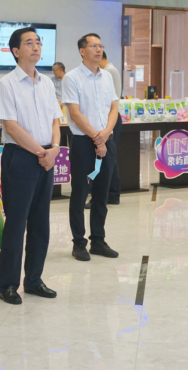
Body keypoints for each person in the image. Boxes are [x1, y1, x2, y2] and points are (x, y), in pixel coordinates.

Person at [0, 27, 63, 305]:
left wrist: (54, 149)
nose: (35, 47)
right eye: (29, 43)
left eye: (38, 42)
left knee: (40, 222)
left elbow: (56, 120)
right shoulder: (6, 84)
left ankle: (34, 280)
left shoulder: (47, 83)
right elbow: (11, 126)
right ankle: (8, 284)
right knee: (16, 223)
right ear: (15, 51)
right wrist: (40, 152)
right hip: (21, 157)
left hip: (46, 155)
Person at [63, 33, 119, 262]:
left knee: (102, 193)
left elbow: (114, 108)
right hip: (83, 142)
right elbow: (75, 114)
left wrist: (105, 135)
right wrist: (97, 138)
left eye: (100, 46)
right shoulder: (71, 78)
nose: (98, 49)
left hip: (106, 139)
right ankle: (79, 243)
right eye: (93, 46)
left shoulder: (107, 77)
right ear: (82, 50)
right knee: (79, 193)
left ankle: (98, 240)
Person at [86, 49, 122, 209]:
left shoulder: (108, 72)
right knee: (109, 159)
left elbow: (108, 101)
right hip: (107, 118)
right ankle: (111, 194)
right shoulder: (108, 70)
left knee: (105, 159)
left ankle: (108, 194)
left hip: (109, 119)